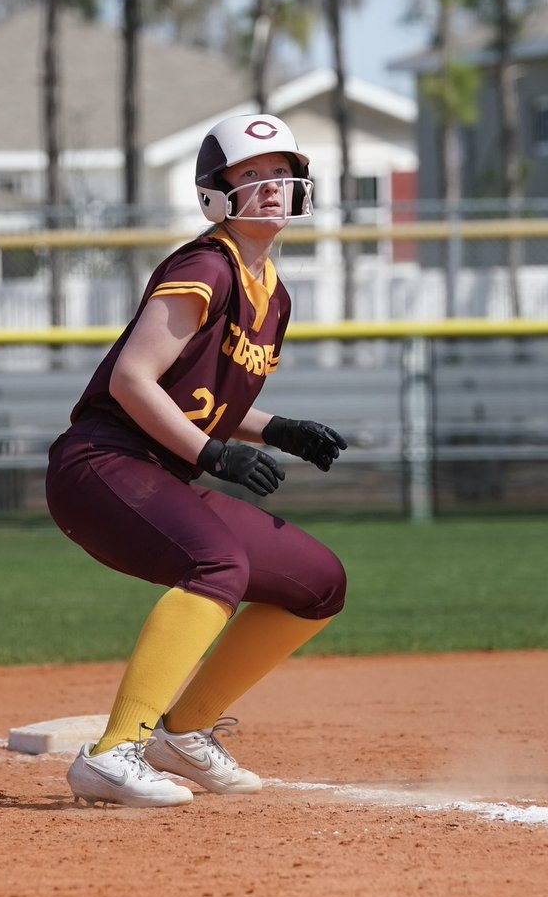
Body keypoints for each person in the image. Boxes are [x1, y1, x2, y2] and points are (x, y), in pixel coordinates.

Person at [46, 113, 349, 807]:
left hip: (156, 470)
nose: (273, 186)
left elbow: (197, 393)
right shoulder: (206, 265)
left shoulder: (274, 291)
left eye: (281, 173)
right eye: (252, 175)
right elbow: (132, 381)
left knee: (318, 582)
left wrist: (277, 430)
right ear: (217, 192)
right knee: (219, 562)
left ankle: (183, 733)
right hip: (101, 463)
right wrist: (214, 455)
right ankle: (114, 750)